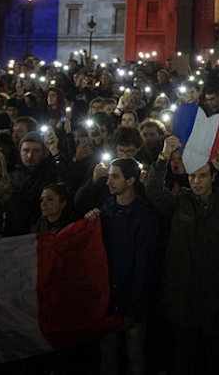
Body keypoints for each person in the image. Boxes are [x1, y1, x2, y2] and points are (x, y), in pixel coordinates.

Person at [144, 136, 219, 375]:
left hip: (214, 290)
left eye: (202, 176)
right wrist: (162, 158)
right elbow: (153, 191)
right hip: (182, 290)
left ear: (213, 178)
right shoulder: (180, 202)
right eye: (192, 176)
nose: (197, 181)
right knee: (184, 354)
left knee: (215, 353)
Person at [85, 158, 158, 375]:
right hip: (108, 298)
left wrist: (133, 308)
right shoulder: (106, 208)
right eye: (109, 176)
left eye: (115, 177)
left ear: (131, 180)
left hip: (131, 300)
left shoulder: (145, 216)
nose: (109, 182)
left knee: (134, 356)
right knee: (108, 356)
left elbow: (144, 265)